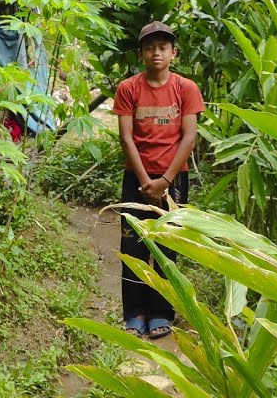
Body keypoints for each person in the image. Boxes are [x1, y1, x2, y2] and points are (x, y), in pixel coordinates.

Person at [111, 20, 204, 339]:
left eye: (163, 47)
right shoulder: (128, 88)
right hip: (135, 178)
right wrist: (145, 181)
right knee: (132, 245)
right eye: (150, 48)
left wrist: (164, 180)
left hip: (174, 180)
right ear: (141, 54)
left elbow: (189, 137)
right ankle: (135, 313)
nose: (156, 53)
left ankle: (162, 312)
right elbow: (126, 138)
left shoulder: (186, 88)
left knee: (167, 247)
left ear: (173, 53)